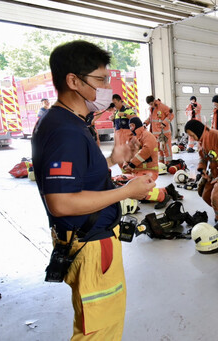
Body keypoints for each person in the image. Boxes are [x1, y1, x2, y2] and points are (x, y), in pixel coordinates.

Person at [31, 40, 155, 340]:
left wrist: (113, 159)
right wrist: (127, 192)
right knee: (100, 330)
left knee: (96, 323)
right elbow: (61, 202)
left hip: (87, 238)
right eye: (100, 80)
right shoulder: (65, 131)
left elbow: (79, 176)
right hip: (91, 244)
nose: (105, 89)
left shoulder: (67, 121)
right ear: (73, 80)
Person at [185, 120, 218, 230]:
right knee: (206, 195)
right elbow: (203, 157)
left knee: (216, 196)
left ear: (197, 131)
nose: (192, 138)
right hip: (216, 172)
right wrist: (202, 169)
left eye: (192, 135)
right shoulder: (202, 141)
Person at [126, 117, 181, 208]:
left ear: (136, 125)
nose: (130, 128)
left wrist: (132, 164)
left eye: (132, 126)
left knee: (139, 189)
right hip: (138, 171)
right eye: (130, 126)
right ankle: (166, 190)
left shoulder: (147, 136)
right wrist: (126, 164)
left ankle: (163, 197)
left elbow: (146, 151)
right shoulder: (134, 138)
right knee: (133, 189)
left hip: (149, 171)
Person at [144, 96, 174, 165]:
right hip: (156, 134)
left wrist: (164, 123)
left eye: (151, 103)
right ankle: (161, 165)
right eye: (149, 104)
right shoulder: (151, 109)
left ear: (154, 101)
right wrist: (145, 123)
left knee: (166, 150)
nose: (151, 105)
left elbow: (171, 115)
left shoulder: (163, 107)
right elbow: (150, 118)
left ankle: (169, 164)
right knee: (159, 150)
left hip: (164, 133)